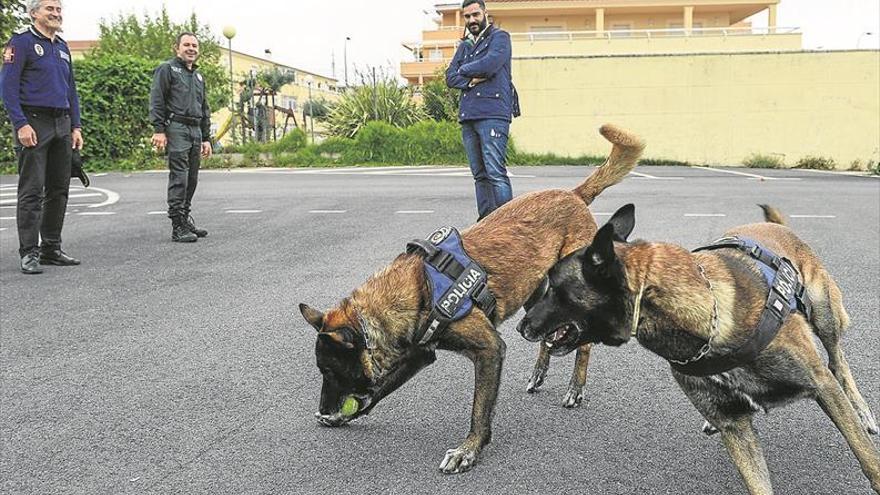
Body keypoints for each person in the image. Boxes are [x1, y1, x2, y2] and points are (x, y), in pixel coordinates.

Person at [1, 0, 83, 274]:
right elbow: (8, 86)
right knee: (32, 191)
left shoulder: (62, 46)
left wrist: (76, 126)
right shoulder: (21, 42)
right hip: (34, 123)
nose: (56, 13)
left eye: (59, 9)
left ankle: (51, 248)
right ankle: (29, 253)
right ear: (34, 13)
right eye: (50, 8)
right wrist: (21, 124)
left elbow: (70, 88)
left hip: (62, 123)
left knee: (59, 190)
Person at [446, 0, 520, 221]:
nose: (472, 20)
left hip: (492, 113)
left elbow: (490, 64)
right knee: (479, 175)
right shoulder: (465, 46)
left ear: (485, 13)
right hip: (468, 115)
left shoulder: (500, 38)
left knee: (495, 172)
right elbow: (450, 77)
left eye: (475, 15)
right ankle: (487, 222)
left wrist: (463, 69)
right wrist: (469, 80)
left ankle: (509, 225)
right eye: (467, 17)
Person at [149, 32, 212, 243]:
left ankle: (185, 218)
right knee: (180, 177)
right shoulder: (167, 69)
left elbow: (204, 108)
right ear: (177, 48)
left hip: (195, 130)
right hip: (176, 127)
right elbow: (157, 99)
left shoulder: (198, 76)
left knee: (192, 178)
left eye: (194, 45)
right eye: (186, 45)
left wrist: (206, 137)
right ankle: (177, 226)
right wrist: (158, 129)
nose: (191, 48)